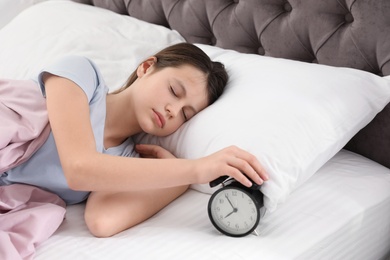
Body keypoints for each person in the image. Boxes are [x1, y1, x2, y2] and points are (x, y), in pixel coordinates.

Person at [1, 43, 268, 238]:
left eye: (186, 115)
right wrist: (197, 169)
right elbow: (79, 168)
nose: (173, 111)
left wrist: (177, 181)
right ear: (146, 67)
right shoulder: (81, 76)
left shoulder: (124, 162)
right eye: (174, 91)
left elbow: (102, 221)